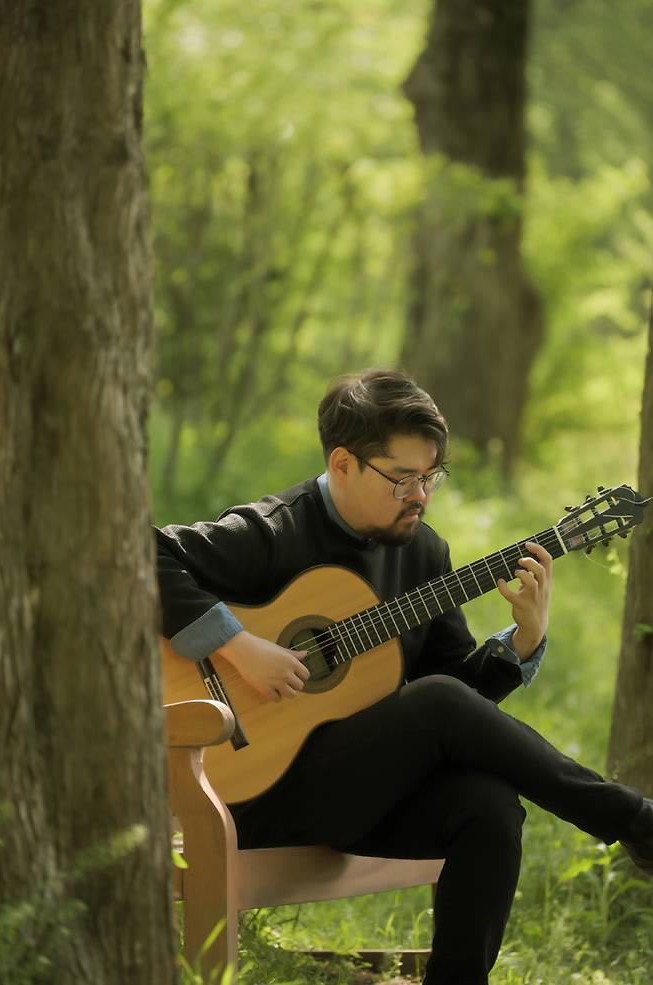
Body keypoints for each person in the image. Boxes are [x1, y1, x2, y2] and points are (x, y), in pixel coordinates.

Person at [155, 368, 653, 985]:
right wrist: (239, 646)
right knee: (440, 707)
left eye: (431, 476)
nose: (420, 495)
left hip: (352, 793)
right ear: (343, 464)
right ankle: (634, 821)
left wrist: (522, 642)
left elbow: (457, 706)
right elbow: (141, 554)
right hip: (251, 789)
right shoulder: (272, 531)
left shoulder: (424, 554)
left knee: (490, 805)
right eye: (403, 479)